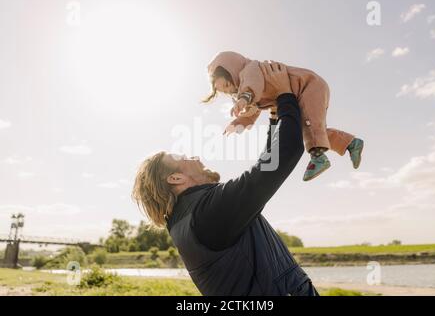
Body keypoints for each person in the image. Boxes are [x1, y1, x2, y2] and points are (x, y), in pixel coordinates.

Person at [132, 62, 319, 296]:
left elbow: (265, 166)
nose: (195, 157)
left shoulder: (187, 220)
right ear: (176, 177)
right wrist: (285, 96)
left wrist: (273, 118)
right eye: (183, 156)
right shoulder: (209, 212)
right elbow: (285, 154)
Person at [203, 51, 364, 181]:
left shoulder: (251, 69)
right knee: (310, 130)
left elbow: (252, 86)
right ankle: (350, 143)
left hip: (308, 85)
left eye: (227, 85)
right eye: (226, 92)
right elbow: (254, 110)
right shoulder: (248, 88)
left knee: (311, 127)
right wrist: (241, 121)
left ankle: (318, 158)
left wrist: (243, 99)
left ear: (231, 70)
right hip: (298, 93)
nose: (230, 90)